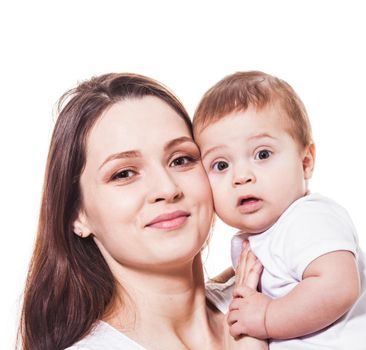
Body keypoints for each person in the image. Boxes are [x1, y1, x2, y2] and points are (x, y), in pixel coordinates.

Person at [18, 73, 267, 350]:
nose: (167, 188)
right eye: (124, 173)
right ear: (78, 214)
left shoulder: (282, 298)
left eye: (181, 159)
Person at [193, 71, 366, 349]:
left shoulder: (309, 219)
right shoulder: (266, 235)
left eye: (262, 154)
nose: (241, 176)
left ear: (305, 162)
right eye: (221, 165)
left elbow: (338, 286)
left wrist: (267, 316)